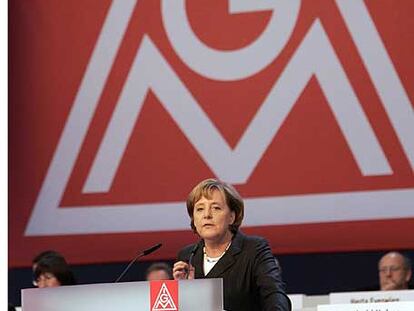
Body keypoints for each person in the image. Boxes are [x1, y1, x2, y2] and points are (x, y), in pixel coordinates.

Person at [173, 178, 290, 311]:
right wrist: (182, 291)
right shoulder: (188, 256)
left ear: (232, 217)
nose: (206, 215)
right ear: (194, 219)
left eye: (216, 208)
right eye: (199, 209)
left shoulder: (253, 249)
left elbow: (274, 295)